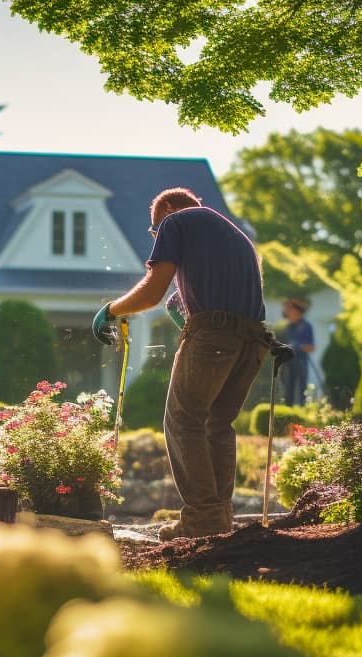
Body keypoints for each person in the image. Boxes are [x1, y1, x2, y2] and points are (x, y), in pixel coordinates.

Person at [92, 187, 293, 540]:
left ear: (168, 209)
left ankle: (201, 519)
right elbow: (211, 297)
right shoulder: (234, 234)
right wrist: (182, 305)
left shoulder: (177, 221)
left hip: (213, 336)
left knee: (183, 421)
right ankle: (219, 517)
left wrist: (110, 311)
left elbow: (152, 292)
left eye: (155, 231)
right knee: (217, 424)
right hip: (253, 342)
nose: (157, 236)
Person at [279, 297, 315, 406]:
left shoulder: (306, 326)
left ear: (297, 311)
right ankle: (288, 412)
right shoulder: (289, 327)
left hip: (300, 362)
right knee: (288, 390)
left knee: (301, 390)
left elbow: (311, 347)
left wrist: (296, 347)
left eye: (290, 311)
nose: (288, 313)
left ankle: (301, 412)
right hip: (288, 363)